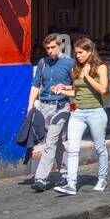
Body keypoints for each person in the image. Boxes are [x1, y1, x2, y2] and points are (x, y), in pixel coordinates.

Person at [53, 38, 109, 195]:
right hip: (77, 113)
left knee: (100, 148)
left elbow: (103, 89)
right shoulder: (76, 68)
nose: (77, 56)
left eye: (80, 53)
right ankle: (71, 184)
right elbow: (76, 92)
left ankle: (102, 178)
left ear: (90, 51)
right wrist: (62, 90)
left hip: (96, 112)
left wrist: (88, 77)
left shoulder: (101, 67)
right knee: (72, 148)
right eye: (76, 53)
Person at [25, 34, 73, 192]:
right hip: (44, 106)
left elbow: (78, 86)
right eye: (47, 48)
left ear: (59, 45)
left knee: (50, 143)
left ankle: (41, 179)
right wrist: (30, 105)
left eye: (53, 47)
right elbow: (35, 84)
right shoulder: (42, 63)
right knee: (56, 141)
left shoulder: (69, 63)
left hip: (61, 107)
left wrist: (66, 90)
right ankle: (67, 173)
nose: (50, 51)